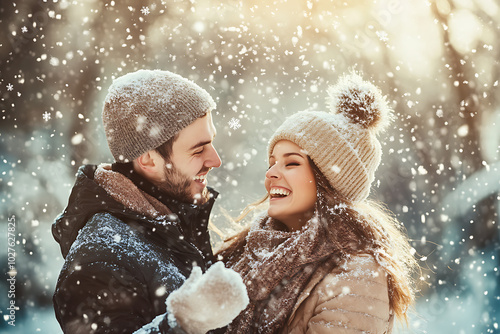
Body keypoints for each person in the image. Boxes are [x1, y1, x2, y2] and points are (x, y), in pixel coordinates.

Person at [218, 72, 419, 333]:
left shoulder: (358, 274)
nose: (270, 174)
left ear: (328, 181)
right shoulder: (246, 252)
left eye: (291, 163)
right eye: (272, 163)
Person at [52, 69, 248, 334]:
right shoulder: (99, 260)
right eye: (198, 149)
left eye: (211, 143)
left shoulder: (172, 226)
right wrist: (183, 324)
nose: (215, 160)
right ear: (148, 159)